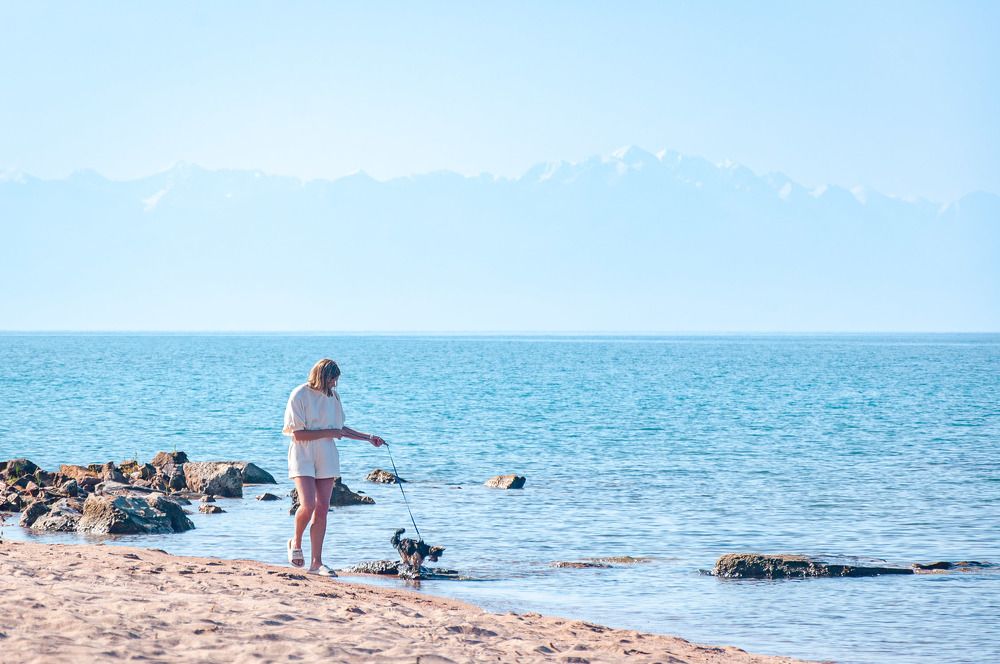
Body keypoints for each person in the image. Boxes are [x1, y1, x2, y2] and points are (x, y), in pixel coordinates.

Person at [282, 358, 384, 576]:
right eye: (332, 379)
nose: (334, 384)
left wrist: (368, 438)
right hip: (302, 453)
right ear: (322, 375)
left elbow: (340, 429)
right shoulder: (299, 394)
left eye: (335, 380)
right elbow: (297, 433)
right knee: (307, 504)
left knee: (322, 508)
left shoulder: (333, 397)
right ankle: (295, 542)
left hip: (326, 454)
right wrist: (328, 433)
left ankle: (316, 563)